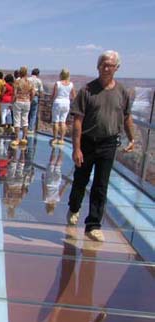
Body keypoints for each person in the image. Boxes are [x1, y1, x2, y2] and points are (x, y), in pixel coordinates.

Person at [67, 50, 135, 242]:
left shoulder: (122, 92)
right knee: (80, 180)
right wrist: (76, 148)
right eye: (103, 64)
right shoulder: (87, 91)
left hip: (109, 143)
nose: (106, 68)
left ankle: (93, 225)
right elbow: (78, 121)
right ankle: (74, 207)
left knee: (101, 184)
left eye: (110, 65)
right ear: (98, 66)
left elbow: (127, 117)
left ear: (117, 68)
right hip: (88, 142)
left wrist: (132, 138)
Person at [50, 68, 75, 146]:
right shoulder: (71, 84)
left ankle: (55, 138)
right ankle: (62, 139)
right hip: (66, 103)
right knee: (63, 121)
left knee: (56, 121)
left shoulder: (58, 83)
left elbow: (53, 94)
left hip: (58, 102)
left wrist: (51, 100)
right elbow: (74, 95)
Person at [11, 66, 34, 147]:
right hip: (27, 101)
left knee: (17, 120)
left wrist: (12, 102)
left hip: (18, 101)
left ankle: (17, 139)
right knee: (25, 120)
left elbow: (14, 93)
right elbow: (33, 93)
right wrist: (30, 100)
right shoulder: (30, 82)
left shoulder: (17, 82)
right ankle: (24, 138)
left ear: (20, 72)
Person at [28, 68, 44, 134]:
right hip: (35, 97)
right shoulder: (39, 81)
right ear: (38, 74)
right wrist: (40, 96)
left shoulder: (28, 79)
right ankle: (30, 129)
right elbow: (41, 91)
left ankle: (25, 126)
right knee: (33, 113)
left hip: (28, 97)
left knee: (27, 112)